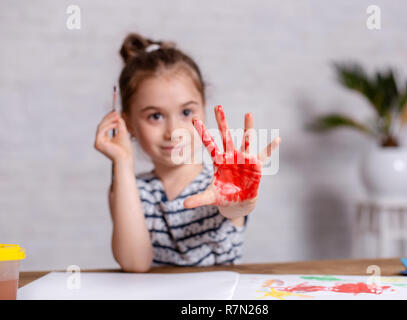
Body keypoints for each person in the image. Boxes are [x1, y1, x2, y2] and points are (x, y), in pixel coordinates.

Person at [94, 33, 281, 272]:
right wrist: (122, 161)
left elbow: (234, 208)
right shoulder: (128, 188)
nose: (173, 131)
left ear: (203, 109)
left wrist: (240, 200)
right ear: (128, 123)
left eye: (186, 112)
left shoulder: (221, 183)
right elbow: (134, 263)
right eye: (155, 116)